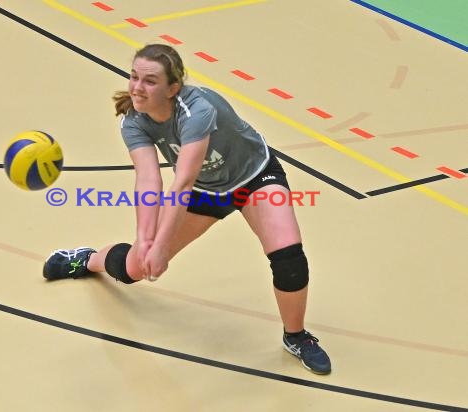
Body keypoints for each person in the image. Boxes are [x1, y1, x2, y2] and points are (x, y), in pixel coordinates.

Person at [43, 44, 331, 374]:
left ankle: (296, 336)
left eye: (150, 81)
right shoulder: (133, 122)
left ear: (173, 88)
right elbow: (148, 181)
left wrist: (163, 246)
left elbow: (181, 182)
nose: (137, 87)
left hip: (253, 175)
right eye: (134, 77)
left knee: (289, 257)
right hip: (207, 190)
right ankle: (88, 259)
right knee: (134, 269)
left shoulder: (198, 109)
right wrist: (146, 240)